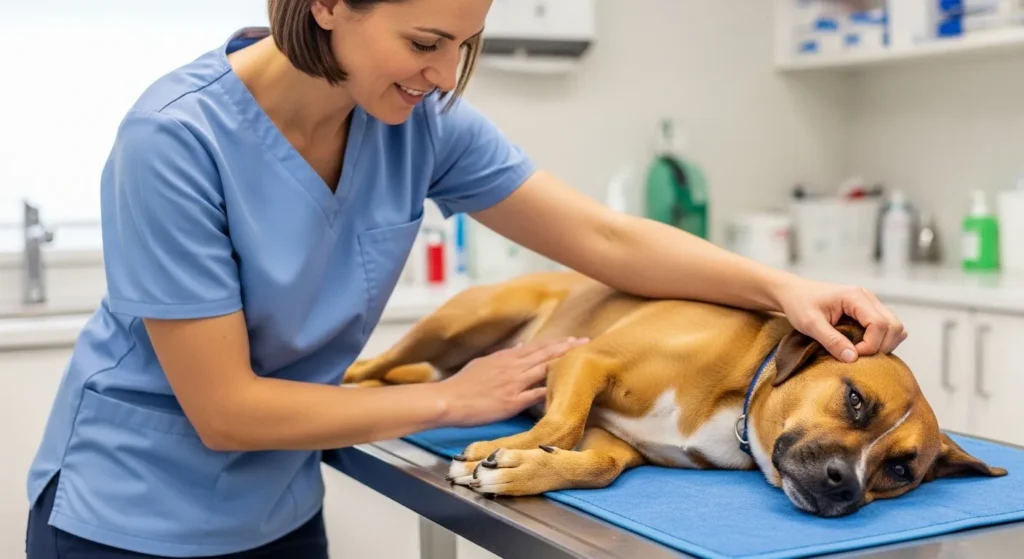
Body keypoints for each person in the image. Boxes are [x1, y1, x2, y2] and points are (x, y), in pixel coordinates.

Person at [25, 0, 906, 557]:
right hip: (126, 518)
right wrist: (452, 399)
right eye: (425, 41)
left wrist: (780, 288)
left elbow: (601, 236)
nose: (444, 75)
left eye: (466, 45)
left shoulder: (419, 119)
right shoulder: (175, 140)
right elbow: (227, 410)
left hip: (278, 509)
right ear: (327, 4)